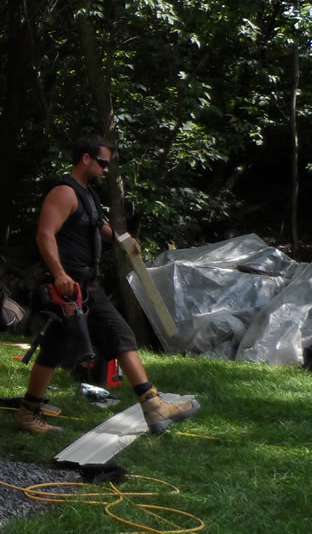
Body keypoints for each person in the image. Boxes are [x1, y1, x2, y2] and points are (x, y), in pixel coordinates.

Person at [18, 135, 200, 436]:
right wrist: (60, 274)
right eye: (102, 163)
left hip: (89, 287)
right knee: (68, 346)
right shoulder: (64, 192)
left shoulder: (87, 194)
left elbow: (94, 225)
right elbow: (45, 235)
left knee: (108, 338)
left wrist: (120, 239)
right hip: (68, 288)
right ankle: (29, 414)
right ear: (85, 159)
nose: (106, 170)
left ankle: (152, 406)